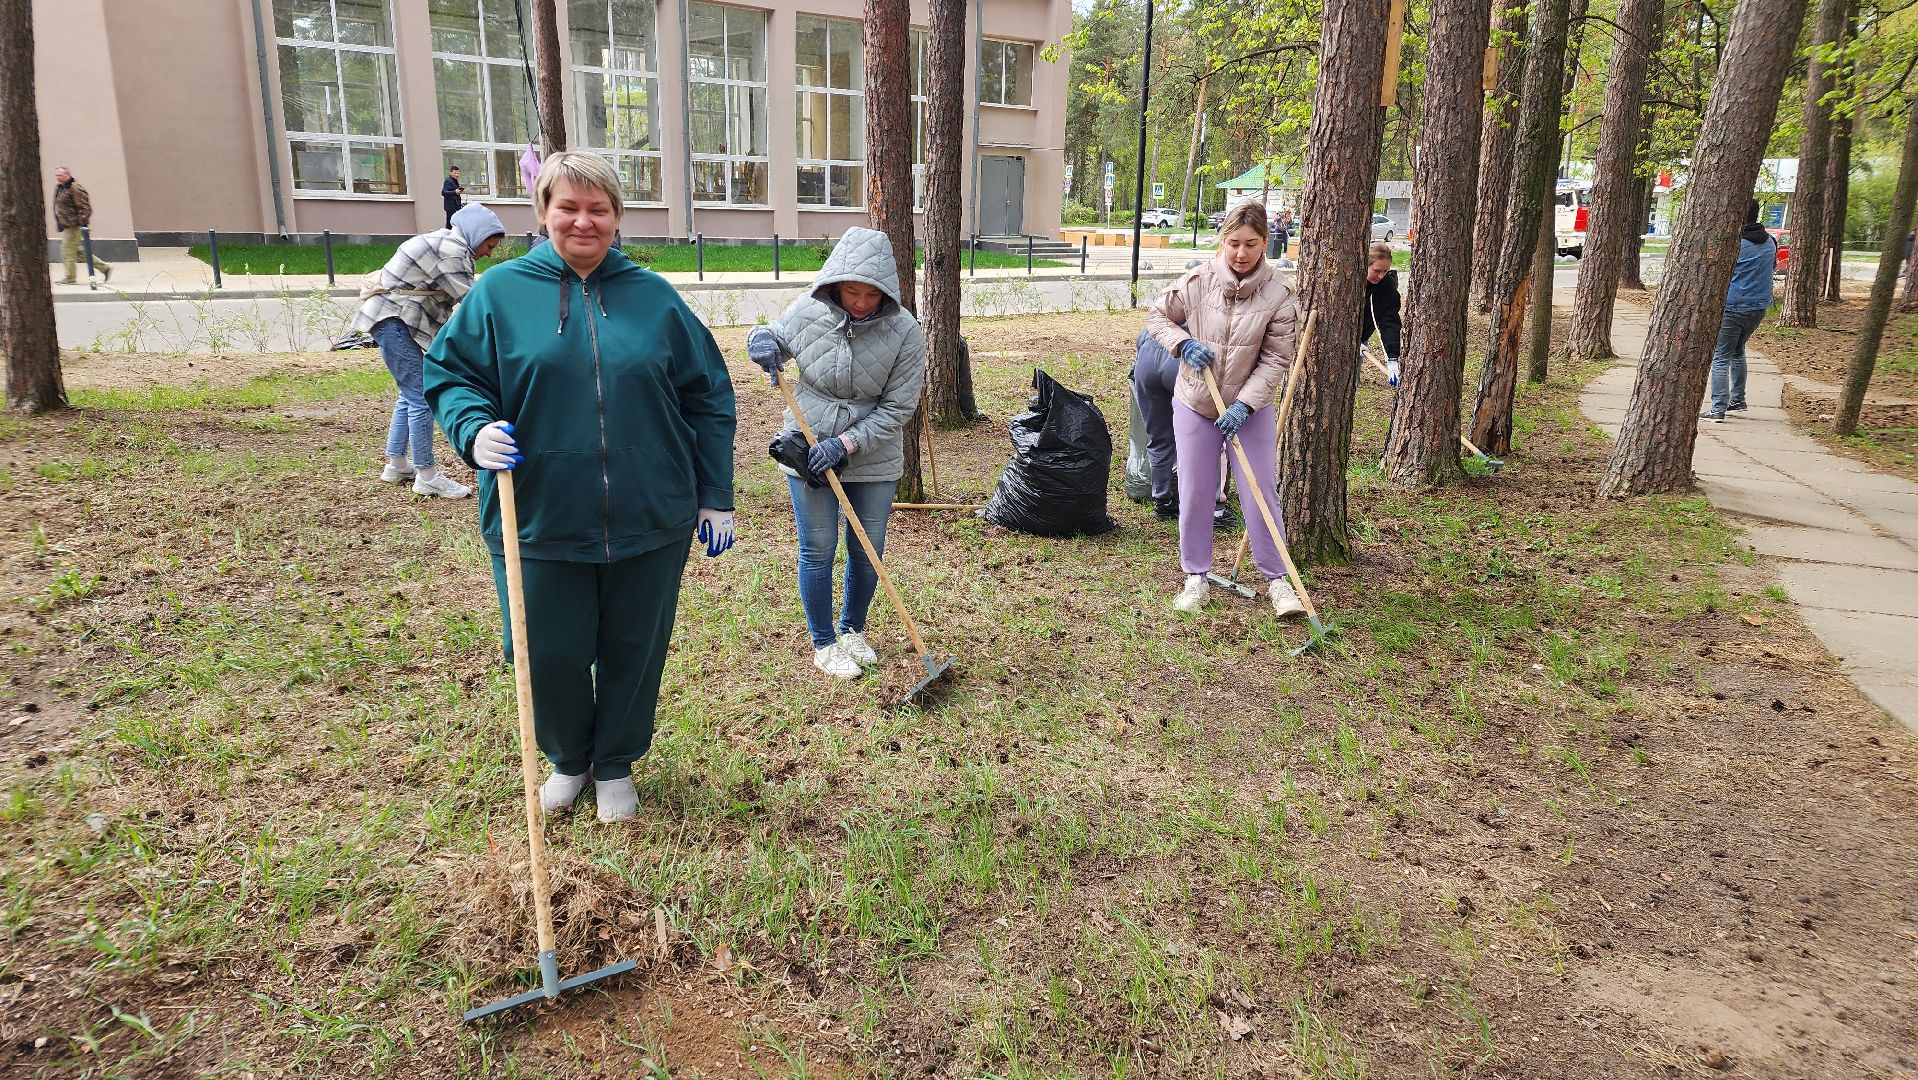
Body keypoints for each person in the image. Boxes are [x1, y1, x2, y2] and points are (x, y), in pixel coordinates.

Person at [426, 151, 737, 823]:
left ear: (617, 217)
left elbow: (709, 396)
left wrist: (716, 495)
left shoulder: (655, 299)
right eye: (568, 207)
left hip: (650, 515)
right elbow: (451, 376)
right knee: (545, 650)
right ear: (543, 213)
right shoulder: (499, 294)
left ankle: (616, 762)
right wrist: (472, 429)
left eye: (598, 209)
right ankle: (569, 759)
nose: (583, 221)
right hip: (539, 513)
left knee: (634, 646)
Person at [746, 227, 926, 680]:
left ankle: (852, 630)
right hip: (807, 446)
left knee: (868, 549)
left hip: (873, 454)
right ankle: (824, 642)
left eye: (871, 294)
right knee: (818, 546)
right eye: (852, 292)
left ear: (887, 292)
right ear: (835, 284)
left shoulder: (906, 332)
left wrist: (846, 444)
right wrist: (760, 341)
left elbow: (898, 408)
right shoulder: (809, 310)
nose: (861, 303)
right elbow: (773, 336)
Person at [1146, 202, 1305, 618]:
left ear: (1265, 242)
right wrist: (1183, 343)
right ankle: (1195, 576)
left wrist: (1244, 404)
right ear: (1223, 241)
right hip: (1196, 402)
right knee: (1196, 491)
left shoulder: (1280, 293)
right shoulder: (1198, 281)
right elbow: (1158, 317)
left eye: (1251, 244)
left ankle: (1278, 581)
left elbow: (1276, 358)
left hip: (1250, 409)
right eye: (1233, 243)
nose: (1241, 253)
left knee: (1260, 491)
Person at [350, 202, 506, 499]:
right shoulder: (452, 251)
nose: (489, 253)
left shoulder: (447, 242)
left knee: (409, 393)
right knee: (422, 395)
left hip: (388, 318)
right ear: (477, 234)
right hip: (394, 319)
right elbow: (473, 303)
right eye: (489, 245)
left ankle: (396, 464)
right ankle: (427, 475)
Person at [1701, 200, 1777, 423]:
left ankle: (1718, 408)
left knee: (1720, 356)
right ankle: (1737, 399)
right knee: (1737, 350)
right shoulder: (1770, 241)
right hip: (1759, 306)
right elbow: (1771, 268)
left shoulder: (1735, 244)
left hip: (1733, 306)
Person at [52, 167, 110, 285]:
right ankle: (104, 268)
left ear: (67, 175)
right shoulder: (61, 188)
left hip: (74, 225)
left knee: (66, 250)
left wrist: (82, 223)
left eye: (60, 175)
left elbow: (85, 207)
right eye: (56, 175)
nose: (58, 178)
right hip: (67, 224)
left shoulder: (75, 188)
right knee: (78, 252)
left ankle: (70, 278)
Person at [1359, 241, 1403, 386]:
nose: (1381, 276)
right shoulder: (1349, 281)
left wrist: (1392, 358)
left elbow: (1389, 321)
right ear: (1364, 265)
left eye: (1385, 271)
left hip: (1361, 339)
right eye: (1377, 271)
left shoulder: (1387, 287)